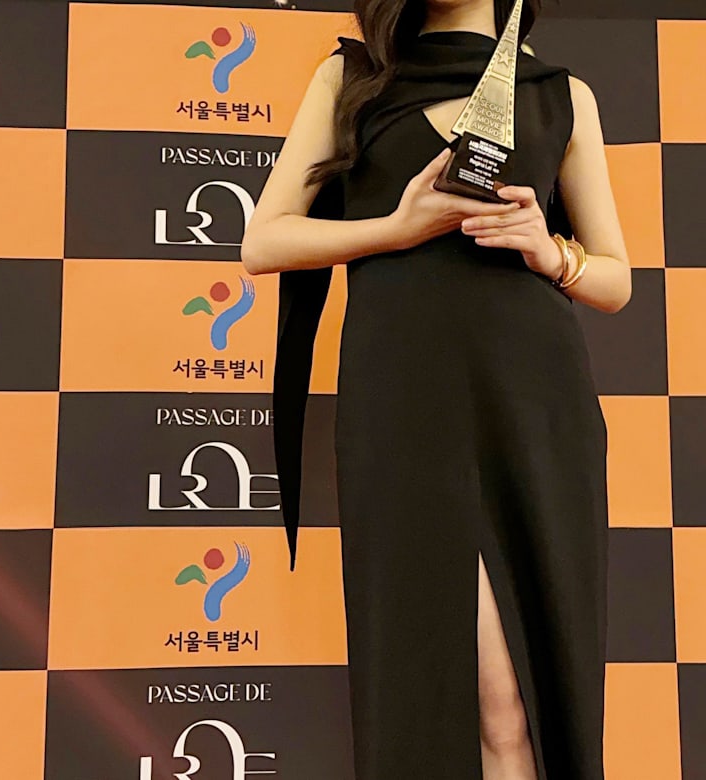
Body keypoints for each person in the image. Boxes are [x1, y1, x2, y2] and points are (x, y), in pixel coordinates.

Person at [242, 0, 630, 776]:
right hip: (403, 402)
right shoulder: (353, 78)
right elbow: (264, 241)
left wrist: (549, 250)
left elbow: (616, 279)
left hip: (533, 402)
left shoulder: (561, 94)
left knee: (519, 703)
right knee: (448, 683)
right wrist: (396, 227)